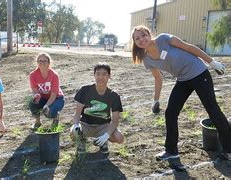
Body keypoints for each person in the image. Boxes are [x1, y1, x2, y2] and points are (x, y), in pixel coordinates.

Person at [131, 25, 231, 161]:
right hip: (183, 79)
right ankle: (171, 150)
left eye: (143, 35)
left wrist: (212, 62)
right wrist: (156, 100)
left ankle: (228, 149)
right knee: (170, 112)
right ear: (135, 43)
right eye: (137, 38)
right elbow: (158, 78)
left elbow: (189, 47)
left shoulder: (163, 39)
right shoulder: (146, 59)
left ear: (149, 34)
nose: (142, 39)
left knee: (212, 109)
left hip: (199, 72)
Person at [70, 63, 124, 154]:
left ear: (109, 76)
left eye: (104, 74)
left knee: (120, 138)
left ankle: (103, 142)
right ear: (94, 75)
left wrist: (106, 135)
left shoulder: (114, 95)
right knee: (73, 132)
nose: (100, 77)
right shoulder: (85, 90)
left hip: (103, 126)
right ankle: (81, 141)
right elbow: (77, 113)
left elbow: (115, 121)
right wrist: (76, 125)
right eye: (98, 74)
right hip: (85, 124)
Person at [29, 52, 65, 130]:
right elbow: (35, 91)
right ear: (37, 62)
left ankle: (55, 118)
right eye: (40, 61)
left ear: (49, 63)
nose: (42, 63)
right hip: (43, 98)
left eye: (45, 61)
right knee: (32, 103)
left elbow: (53, 95)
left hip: (56, 98)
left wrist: (46, 106)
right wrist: (36, 97)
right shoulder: (33, 75)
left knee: (49, 112)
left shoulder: (54, 75)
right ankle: (37, 122)